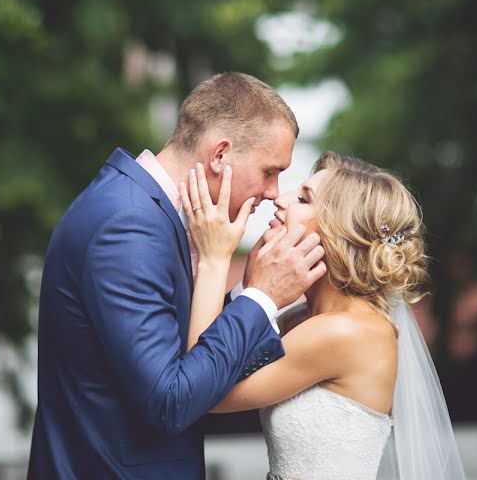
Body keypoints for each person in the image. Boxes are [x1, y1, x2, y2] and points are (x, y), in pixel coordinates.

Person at [27, 72, 326, 478]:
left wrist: (246, 295)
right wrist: (263, 298)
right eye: (270, 171)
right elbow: (171, 401)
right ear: (220, 155)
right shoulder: (129, 225)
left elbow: (181, 348)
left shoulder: (148, 213)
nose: (274, 192)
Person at [183, 151, 466, 479]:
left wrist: (215, 258)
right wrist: (251, 286)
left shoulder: (345, 332)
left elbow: (200, 388)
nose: (282, 199)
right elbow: (213, 361)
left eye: (303, 199)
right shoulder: (300, 318)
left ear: (338, 232)